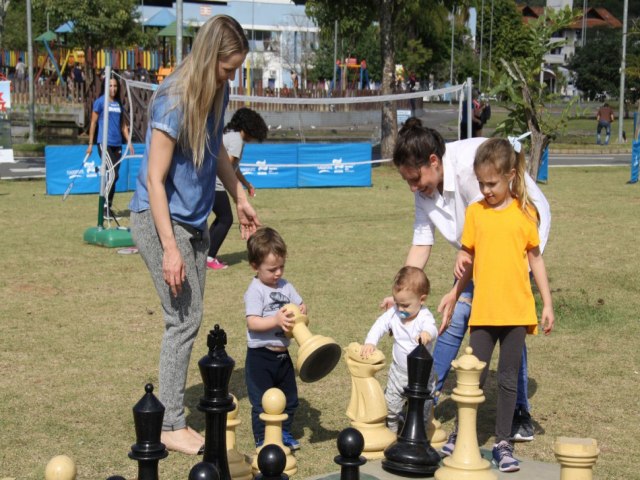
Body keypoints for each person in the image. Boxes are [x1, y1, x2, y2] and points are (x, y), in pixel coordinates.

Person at [128, 15, 259, 456]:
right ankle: (168, 424)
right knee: (182, 319)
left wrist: (238, 192)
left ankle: (173, 417)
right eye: (227, 68)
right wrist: (170, 249)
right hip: (157, 218)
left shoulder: (215, 92)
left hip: (193, 220)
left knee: (190, 317)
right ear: (209, 58)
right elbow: (156, 177)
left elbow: (216, 149)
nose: (231, 76)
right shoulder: (173, 99)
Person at [386, 118, 551, 447]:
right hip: (475, 252)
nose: (413, 187)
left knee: (499, 316)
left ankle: (518, 412)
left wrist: (459, 289)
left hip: (517, 237)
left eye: (415, 178)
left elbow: (496, 224)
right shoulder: (425, 189)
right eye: (407, 181)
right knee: (453, 315)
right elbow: (422, 242)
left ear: (433, 161)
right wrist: (401, 292)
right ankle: (425, 399)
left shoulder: (474, 165)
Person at [444, 137, 554, 472]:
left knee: (508, 379)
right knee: (471, 377)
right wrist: (453, 291)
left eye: (491, 183)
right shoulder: (475, 213)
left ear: (509, 176)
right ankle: (462, 433)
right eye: (480, 183)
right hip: (484, 312)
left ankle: (503, 442)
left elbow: (536, 261)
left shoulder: (525, 214)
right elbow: (468, 256)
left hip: (516, 313)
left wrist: (546, 304)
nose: (485, 190)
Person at [244, 227, 304, 450]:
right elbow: (253, 322)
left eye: (281, 267)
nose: (278, 273)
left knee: (290, 399)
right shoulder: (255, 290)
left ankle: (284, 433)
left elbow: (300, 306)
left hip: (282, 355)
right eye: (272, 269)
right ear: (254, 266)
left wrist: (302, 309)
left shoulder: (285, 286)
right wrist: (276, 320)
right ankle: (263, 439)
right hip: (260, 356)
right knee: (261, 402)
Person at [361, 266, 438, 433]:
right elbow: (380, 325)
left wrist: (427, 334)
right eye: (397, 303)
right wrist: (370, 342)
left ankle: (420, 435)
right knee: (391, 405)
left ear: (422, 299)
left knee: (423, 408)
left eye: (405, 305)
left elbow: (433, 329)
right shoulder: (394, 313)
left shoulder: (424, 316)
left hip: (422, 374)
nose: (401, 309)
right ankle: (392, 432)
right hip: (398, 372)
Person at [207, 107, 267, 270]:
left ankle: (206, 254)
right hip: (215, 184)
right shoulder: (237, 140)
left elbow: (233, 167)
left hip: (210, 182)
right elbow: (225, 166)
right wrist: (238, 197)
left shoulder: (229, 134)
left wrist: (246, 184)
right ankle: (209, 257)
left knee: (221, 218)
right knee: (226, 219)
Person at [86, 77, 134, 219]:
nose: (113, 88)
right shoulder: (100, 102)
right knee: (113, 175)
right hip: (104, 143)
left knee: (114, 177)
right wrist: (90, 144)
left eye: (115, 86)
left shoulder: (118, 103)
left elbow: (123, 125)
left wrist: (129, 141)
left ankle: (108, 207)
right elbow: (93, 123)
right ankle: (104, 206)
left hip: (117, 145)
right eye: (110, 86)